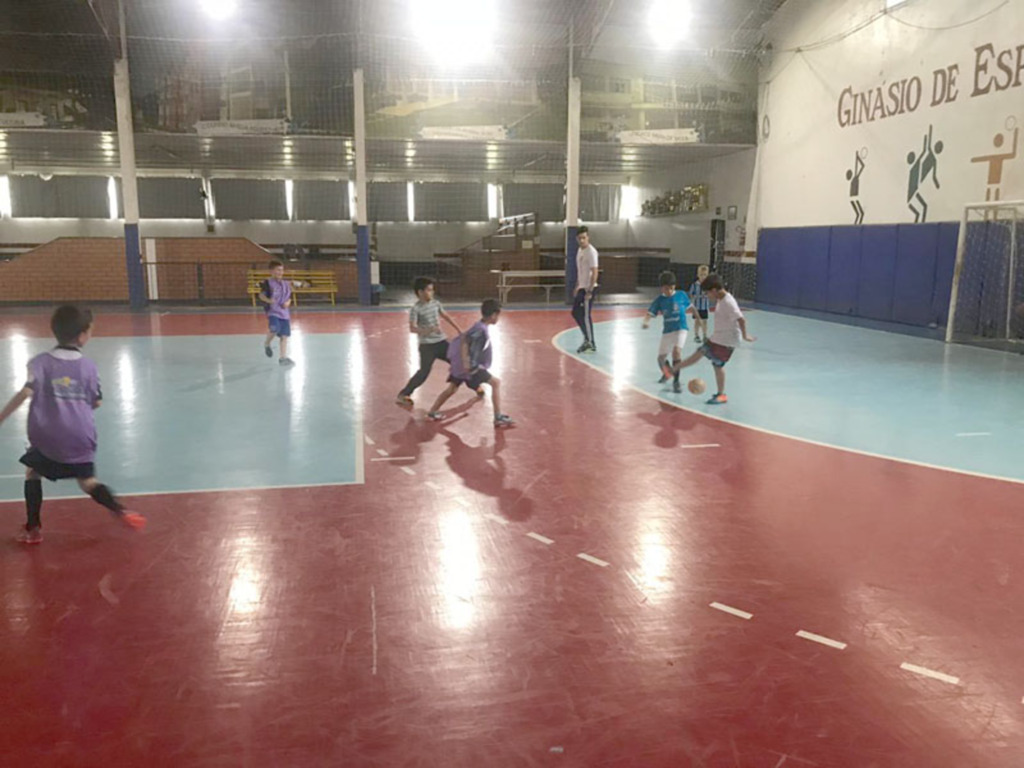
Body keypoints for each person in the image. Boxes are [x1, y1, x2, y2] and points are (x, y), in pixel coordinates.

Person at [0, 306, 145, 544]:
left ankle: (33, 528)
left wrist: (2, 416)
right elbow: (96, 402)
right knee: (88, 482)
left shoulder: (39, 363)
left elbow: (26, 391)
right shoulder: (88, 366)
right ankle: (120, 510)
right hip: (80, 436)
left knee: (33, 472)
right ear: (82, 335)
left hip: (47, 437)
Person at [427, 299, 513, 428]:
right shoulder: (481, 330)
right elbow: (465, 342)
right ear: (494, 315)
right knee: (496, 383)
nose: (499, 318)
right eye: (498, 315)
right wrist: (467, 364)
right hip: (470, 367)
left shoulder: (479, 326)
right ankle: (497, 417)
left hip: (462, 366)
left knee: (452, 389)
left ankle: (433, 411)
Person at [673, 275, 755, 405]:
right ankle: (675, 369)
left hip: (726, 341)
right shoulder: (721, 299)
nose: (707, 295)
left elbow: (741, 319)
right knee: (704, 357)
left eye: (707, 292)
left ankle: (721, 395)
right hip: (718, 338)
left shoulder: (728, 302)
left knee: (712, 362)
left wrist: (745, 335)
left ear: (715, 290)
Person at [396, 276, 464, 407]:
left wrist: (459, 330)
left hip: (441, 342)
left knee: (459, 362)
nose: (431, 293)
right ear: (420, 292)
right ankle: (403, 394)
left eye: (432, 290)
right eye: (428, 290)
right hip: (427, 346)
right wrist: (429, 330)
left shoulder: (436, 303)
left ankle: (477, 386)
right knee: (423, 372)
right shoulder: (416, 309)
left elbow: (446, 316)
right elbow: (412, 328)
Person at [643, 271, 694, 393]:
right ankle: (667, 372)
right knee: (661, 359)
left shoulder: (681, 295)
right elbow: (650, 313)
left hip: (681, 328)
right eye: (666, 288)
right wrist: (646, 321)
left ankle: (676, 382)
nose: (669, 291)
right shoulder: (659, 300)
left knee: (676, 352)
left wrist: (699, 319)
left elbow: (691, 307)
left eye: (672, 288)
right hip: (668, 331)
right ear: (662, 288)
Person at [259, 259, 295, 365]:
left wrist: (288, 302)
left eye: (282, 270)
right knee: (274, 329)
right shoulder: (267, 283)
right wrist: (269, 300)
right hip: (273, 311)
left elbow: (290, 297)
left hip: (284, 313)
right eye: (278, 270)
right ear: (271, 271)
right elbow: (261, 295)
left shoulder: (286, 284)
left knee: (284, 335)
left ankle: (283, 358)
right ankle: (267, 343)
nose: (280, 272)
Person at [571, 226, 600, 353]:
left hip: (589, 288)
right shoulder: (579, 251)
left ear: (588, 237)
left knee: (585, 315)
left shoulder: (591, 252)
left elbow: (595, 271)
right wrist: (577, 285)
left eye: (584, 238)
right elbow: (580, 270)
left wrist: (590, 290)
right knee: (575, 312)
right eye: (579, 238)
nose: (582, 240)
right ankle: (587, 338)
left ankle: (591, 342)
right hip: (582, 287)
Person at [688, 264, 711, 343]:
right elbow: (691, 294)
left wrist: (708, 295)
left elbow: (711, 294)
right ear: (698, 275)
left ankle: (705, 335)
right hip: (697, 307)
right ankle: (696, 335)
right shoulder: (694, 285)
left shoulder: (708, 285)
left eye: (705, 275)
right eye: (701, 275)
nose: (703, 277)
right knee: (697, 321)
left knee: (705, 321)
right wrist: (694, 299)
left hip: (704, 306)